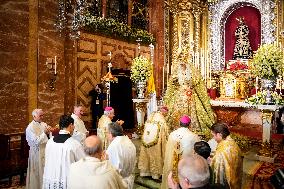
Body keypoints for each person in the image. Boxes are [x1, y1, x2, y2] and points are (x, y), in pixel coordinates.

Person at [163, 45, 215, 137]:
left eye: (183, 61)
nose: (182, 63)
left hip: (190, 95)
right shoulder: (176, 71)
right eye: (180, 60)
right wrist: (174, 81)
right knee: (176, 112)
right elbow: (172, 84)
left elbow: (197, 82)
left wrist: (190, 85)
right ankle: (177, 128)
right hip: (179, 96)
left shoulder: (192, 71)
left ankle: (191, 128)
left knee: (192, 111)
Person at [42, 114, 85, 189]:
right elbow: (83, 162)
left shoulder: (50, 142)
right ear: (71, 125)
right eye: (73, 125)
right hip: (66, 181)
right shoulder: (74, 144)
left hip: (51, 178)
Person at [161, 115, 200, 189]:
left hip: (172, 166)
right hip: (185, 168)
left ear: (179, 123)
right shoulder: (194, 137)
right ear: (189, 125)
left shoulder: (172, 135)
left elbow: (168, 152)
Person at [138, 106, 170, 179]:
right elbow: (164, 133)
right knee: (156, 156)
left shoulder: (151, 116)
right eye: (166, 113)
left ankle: (145, 172)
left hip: (146, 140)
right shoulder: (161, 119)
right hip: (156, 143)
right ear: (164, 112)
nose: (166, 115)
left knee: (146, 156)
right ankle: (155, 175)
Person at [210, 122, 242, 189]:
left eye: (213, 135)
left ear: (219, 134)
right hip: (235, 179)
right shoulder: (232, 142)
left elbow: (218, 174)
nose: (213, 138)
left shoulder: (221, 153)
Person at [26, 109, 51, 189]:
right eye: (40, 116)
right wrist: (44, 133)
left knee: (45, 171)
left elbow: (49, 136)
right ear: (34, 116)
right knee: (37, 172)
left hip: (45, 151)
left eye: (43, 115)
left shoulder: (44, 124)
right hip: (36, 152)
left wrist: (50, 131)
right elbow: (36, 141)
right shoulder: (30, 127)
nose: (42, 117)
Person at [106, 122, 136, 189]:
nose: (106, 135)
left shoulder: (114, 146)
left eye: (107, 133)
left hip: (119, 182)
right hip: (129, 178)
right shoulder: (128, 141)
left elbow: (113, 168)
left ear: (110, 134)